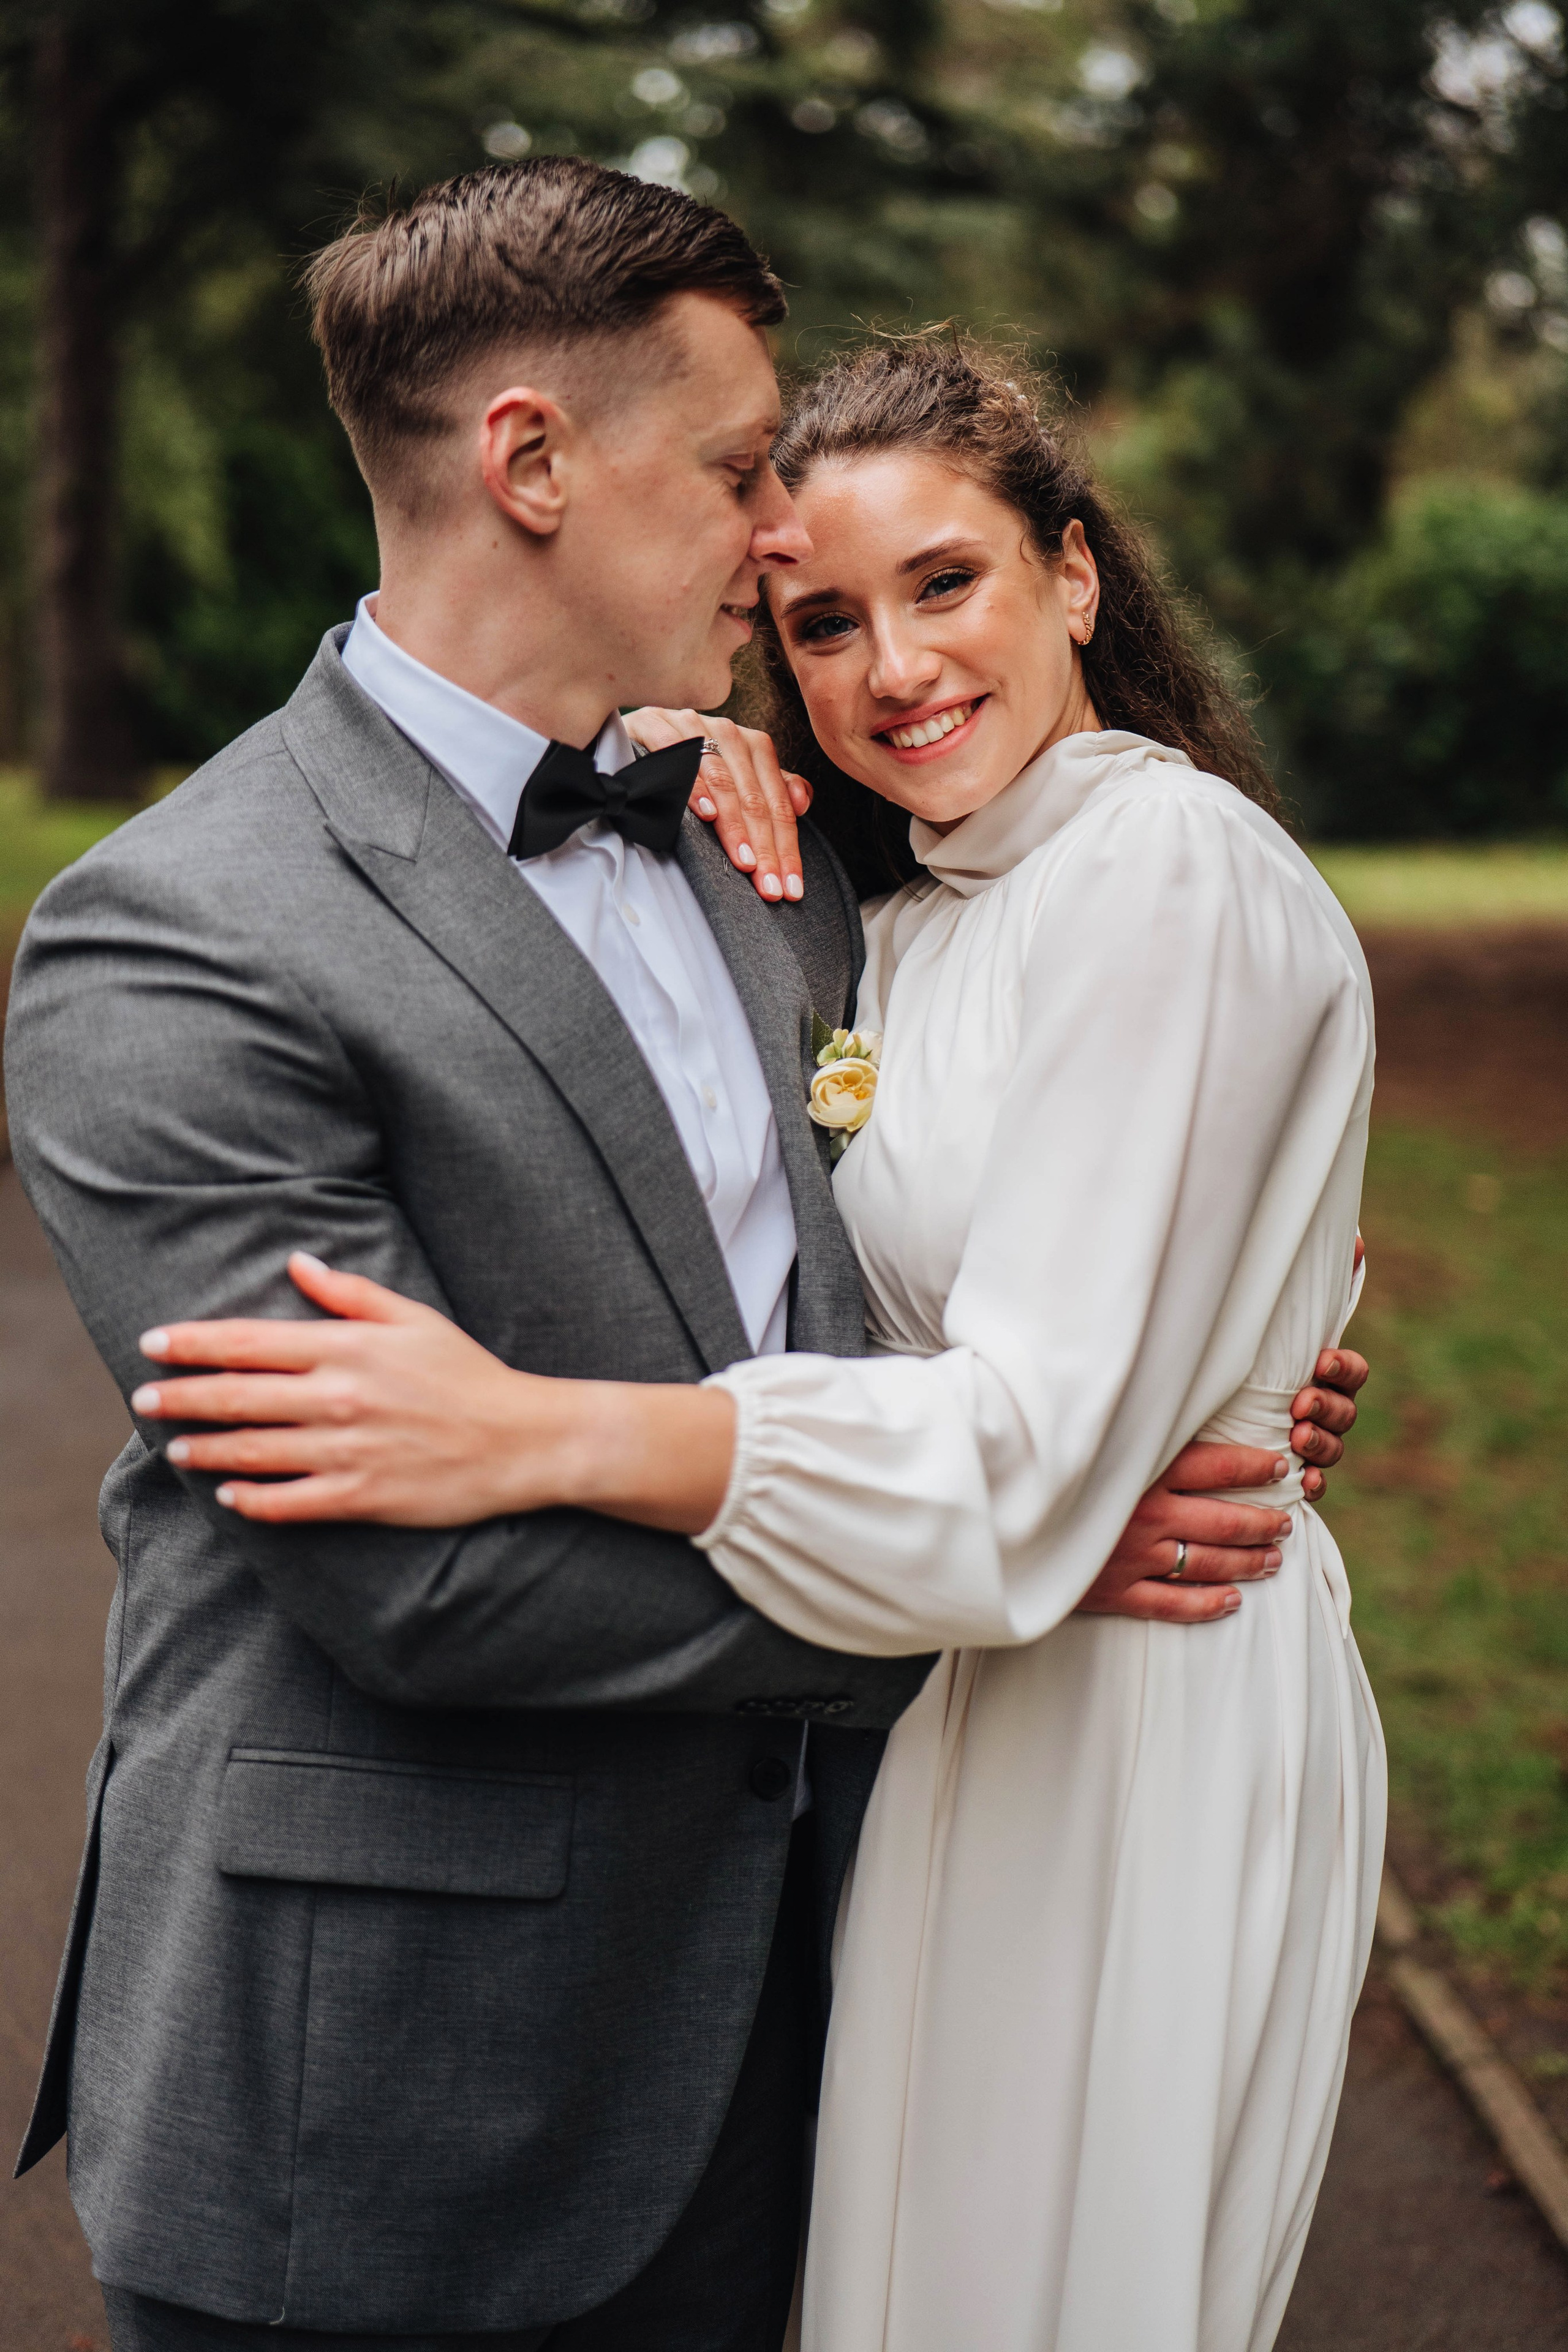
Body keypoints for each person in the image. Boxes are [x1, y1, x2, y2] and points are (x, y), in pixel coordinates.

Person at [5, 162, 1365, 2352]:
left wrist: (1207, 1378)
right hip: (394, 2097)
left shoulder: (791, 854)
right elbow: (407, 1571)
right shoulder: (181, 936)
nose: (779, 539)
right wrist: (991, 1565)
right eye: (745, 471)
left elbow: (983, 1229)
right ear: (530, 460)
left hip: (821, 2016)